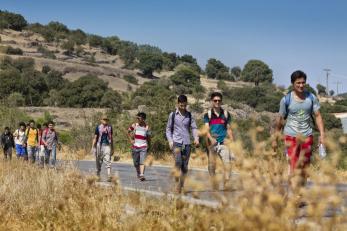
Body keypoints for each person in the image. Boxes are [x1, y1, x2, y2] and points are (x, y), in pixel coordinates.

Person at [272, 70, 325, 187]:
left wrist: (322, 135)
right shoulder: (286, 99)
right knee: (294, 166)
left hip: (307, 137)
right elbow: (280, 120)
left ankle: (300, 191)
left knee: (304, 169)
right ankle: (295, 194)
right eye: (298, 83)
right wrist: (275, 138)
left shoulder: (311, 98)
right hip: (291, 136)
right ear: (292, 83)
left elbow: (318, 116)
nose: (301, 85)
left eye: (303, 83)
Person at [166, 95, 199, 193]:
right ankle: (176, 184)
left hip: (187, 143)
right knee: (178, 162)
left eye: (184, 105)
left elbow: (194, 128)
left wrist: (196, 139)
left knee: (184, 167)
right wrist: (170, 141)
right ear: (178, 104)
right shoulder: (172, 115)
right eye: (181, 105)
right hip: (176, 143)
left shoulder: (189, 115)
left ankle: (181, 185)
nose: (183, 107)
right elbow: (168, 129)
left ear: (186, 104)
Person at [204, 92, 234, 189]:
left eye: (219, 100)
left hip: (223, 143)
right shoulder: (207, 115)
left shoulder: (226, 114)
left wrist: (232, 141)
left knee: (227, 164)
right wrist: (211, 138)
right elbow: (206, 130)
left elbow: (229, 129)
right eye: (215, 100)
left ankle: (226, 184)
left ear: (221, 101)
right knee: (212, 166)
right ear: (212, 101)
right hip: (211, 144)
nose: (217, 102)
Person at [128, 112, 151, 181]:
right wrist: (131, 140)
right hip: (135, 147)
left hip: (143, 146)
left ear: (143, 119)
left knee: (142, 161)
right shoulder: (134, 125)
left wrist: (149, 145)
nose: (137, 119)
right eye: (137, 118)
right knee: (136, 163)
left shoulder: (147, 127)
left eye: (139, 118)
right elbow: (128, 131)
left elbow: (149, 137)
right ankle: (138, 172)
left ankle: (141, 175)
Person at [91, 115, 114, 181]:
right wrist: (93, 147)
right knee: (98, 161)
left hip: (107, 145)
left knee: (108, 160)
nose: (105, 121)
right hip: (99, 145)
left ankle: (109, 175)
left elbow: (111, 138)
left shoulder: (110, 127)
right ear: (101, 120)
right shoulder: (98, 127)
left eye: (106, 120)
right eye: (104, 119)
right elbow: (95, 138)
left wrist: (112, 147)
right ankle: (98, 175)